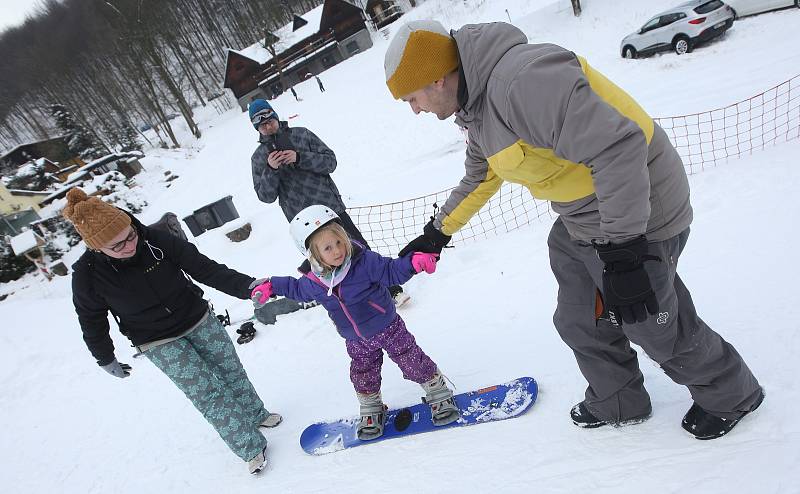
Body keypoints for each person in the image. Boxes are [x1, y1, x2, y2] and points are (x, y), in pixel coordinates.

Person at [384, 20, 763, 440]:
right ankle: (619, 399)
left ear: (436, 78)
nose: (415, 109)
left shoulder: (522, 83)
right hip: (582, 216)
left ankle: (732, 394)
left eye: (411, 98)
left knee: (649, 320)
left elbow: (619, 148)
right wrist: (439, 232)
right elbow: (481, 174)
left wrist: (624, 251)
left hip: (642, 204)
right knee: (579, 317)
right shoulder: (475, 107)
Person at [63, 188, 281, 475]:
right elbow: (91, 319)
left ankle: (255, 414)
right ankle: (249, 447)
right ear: (96, 247)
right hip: (156, 340)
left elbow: (205, 269)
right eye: (116, 246)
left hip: (197, 317)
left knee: (231, 370)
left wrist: (247, 286)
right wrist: (104, 357)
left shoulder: (155, 239)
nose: (129, 245)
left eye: (130, 235)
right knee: (206, 393)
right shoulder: (87, 275)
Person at [249, 205, 458, 440]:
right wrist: (272, 285)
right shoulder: (314, 282)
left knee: (411, 359)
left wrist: (413, 263)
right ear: (314, 255)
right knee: (363, 373)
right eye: (328, 248)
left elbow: (391, 271)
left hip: (388, 326)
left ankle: (437, 390)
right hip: (355, 339)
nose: (338, 250)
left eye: (339, 241)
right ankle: (371, 407)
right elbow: (295, 288)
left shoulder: (363, 261)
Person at [248, 99, 408, 305]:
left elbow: (330, 161)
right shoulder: (258, 158)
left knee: (358, 249)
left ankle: (390, 289)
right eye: (262, 125)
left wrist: (299, 157)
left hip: (330, 209)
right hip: (303, 222)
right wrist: (271, 170)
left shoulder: (301, 134)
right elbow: (265, 196)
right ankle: (351, 302)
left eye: (270, 120)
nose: (268, 126)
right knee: (325, 264)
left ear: (276, 117)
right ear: (257, 128)